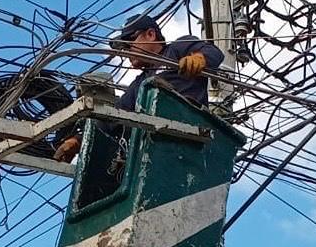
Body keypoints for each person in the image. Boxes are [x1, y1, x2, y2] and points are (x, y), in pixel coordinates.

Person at [53, 13, 224, 162]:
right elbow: (112, 118)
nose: (126, 52)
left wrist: (200, 58)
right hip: (156, 146)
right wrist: (77, 140)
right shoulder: (140, 84)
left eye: (129, 43)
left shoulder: (176, 49)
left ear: (150, 34)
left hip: (190, 135)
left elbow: (213, 52)